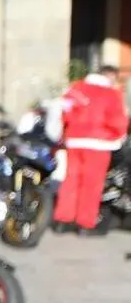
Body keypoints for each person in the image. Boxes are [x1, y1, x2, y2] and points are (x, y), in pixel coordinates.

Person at [53, 64, 129, 236]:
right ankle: (84, 223)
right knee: (92, 184)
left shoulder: (76, 89)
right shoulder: (111, 94)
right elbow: (118, 120)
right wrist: (119, 136)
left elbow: (65, 112)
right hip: (99, 143)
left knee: (71, 180)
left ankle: (62, 221)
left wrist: (67, 132)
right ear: (110, 76)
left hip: (75, 141)